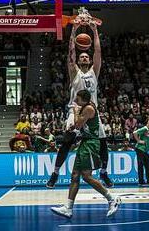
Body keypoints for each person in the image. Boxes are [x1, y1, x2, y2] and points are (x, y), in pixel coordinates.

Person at [46, 15, 113, 189]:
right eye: (81, 56)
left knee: (104, 143)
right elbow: (71, 53)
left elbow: (98, 52)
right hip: (74, 110)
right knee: (67, 141)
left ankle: (104, 173)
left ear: (89, 60)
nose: (83, 57)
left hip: (92, 112)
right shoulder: (74, 72)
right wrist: (74, 30)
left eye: (86, 56)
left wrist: (94, 30)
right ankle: (55, 173)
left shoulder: (94, 72)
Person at [51, 90, 121, 218]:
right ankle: (68, 208)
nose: (76, 100)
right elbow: (77, 127)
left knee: (86, 176)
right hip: (85, 142)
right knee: (74, 175)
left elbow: (78, 125)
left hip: (91, 144)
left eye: (77, 98)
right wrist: (70, 128)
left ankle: (112, 199)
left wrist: (75, 111)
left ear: (83, 99)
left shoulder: (88, 108)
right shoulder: (85, 106)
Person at [133, 119, 149, 186]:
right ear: (147, 124)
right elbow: (135, 133)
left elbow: (147, 139)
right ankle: (141, 182)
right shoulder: (145, 128)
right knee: (140, 165)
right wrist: (139, 141)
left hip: (145, 150)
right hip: (140, 149)